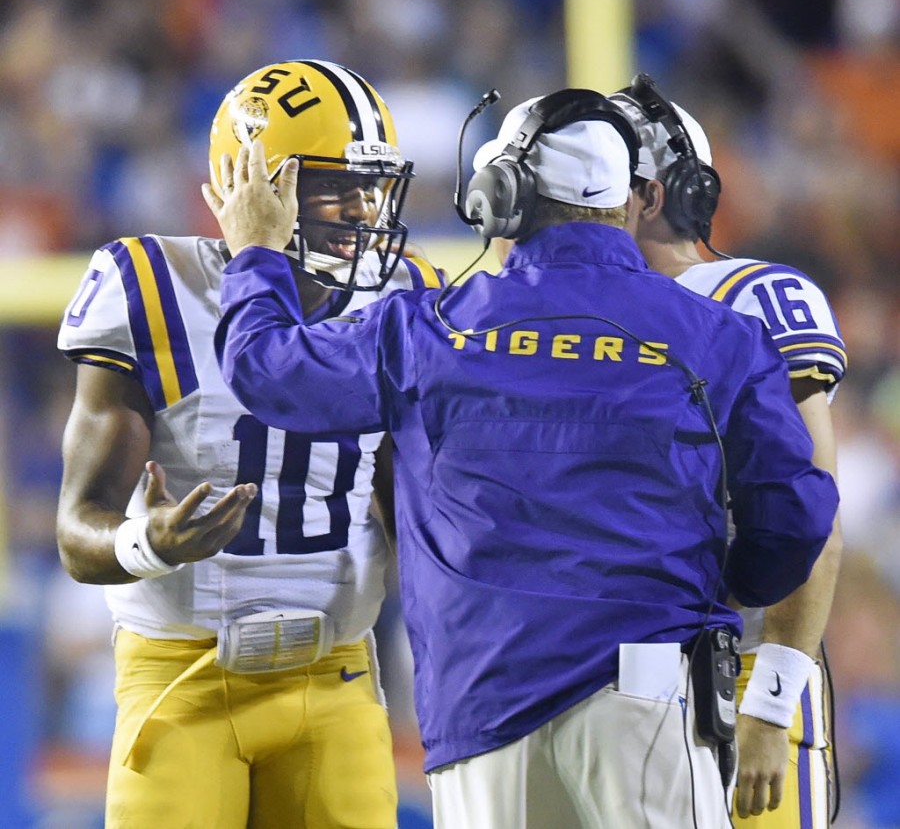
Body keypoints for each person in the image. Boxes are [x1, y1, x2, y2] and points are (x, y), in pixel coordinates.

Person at [207, 88, 839, 829]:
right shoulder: (719, 334)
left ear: (499, 197)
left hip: (479, 704)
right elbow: (796, 518)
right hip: (650, 689)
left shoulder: (428, 328)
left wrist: (254, 254)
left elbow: (264, 370)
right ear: (629, 201)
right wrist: (732, 588)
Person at [55, 59, 443, 829]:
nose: (362, 210)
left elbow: (416, 515)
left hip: (335, 677)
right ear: (250, 183)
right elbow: (77, 529)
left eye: (372, 185)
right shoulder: (149, 284)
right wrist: (148, 543)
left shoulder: (403, 295)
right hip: (183, 676)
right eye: (332, 184)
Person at [609, 75, 846, 828]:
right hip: (602, 671)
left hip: (737, 664)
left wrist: (772, 704)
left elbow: (813, 513)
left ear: (651, 194)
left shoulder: (744, 294)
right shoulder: (558, 315)